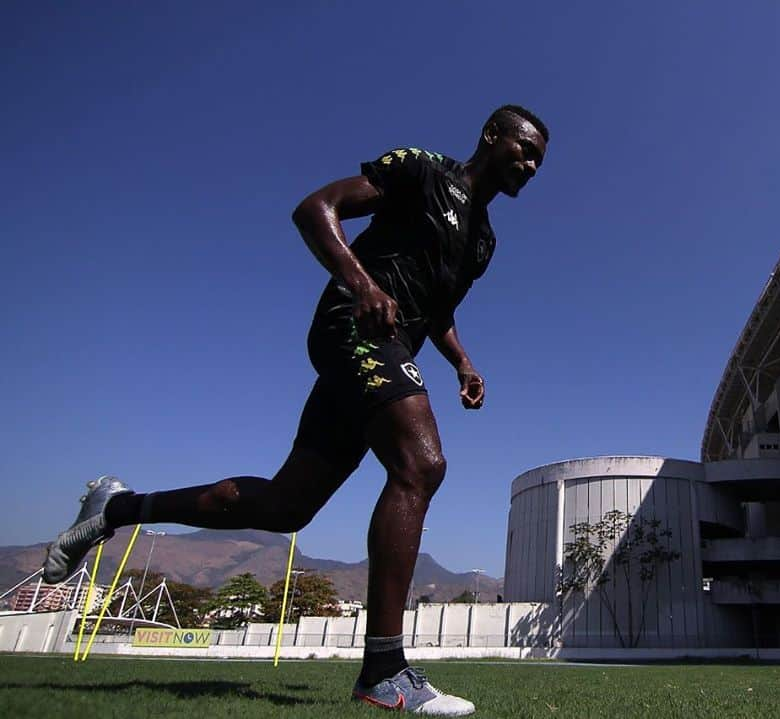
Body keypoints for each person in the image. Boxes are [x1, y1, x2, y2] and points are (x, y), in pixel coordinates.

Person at [42, 104, 548, 716]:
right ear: (491, 137)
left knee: (287, 506)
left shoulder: (484, 241)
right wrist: (362, 284)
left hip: (388, 353)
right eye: (524, 148)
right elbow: (316, 209)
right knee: (422, 464)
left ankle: (114, 508)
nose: (531, 164)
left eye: (539, 159)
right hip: (353, 325)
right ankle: (384, 670)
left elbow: (436, 311)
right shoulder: (421, 170)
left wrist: (463, 362)